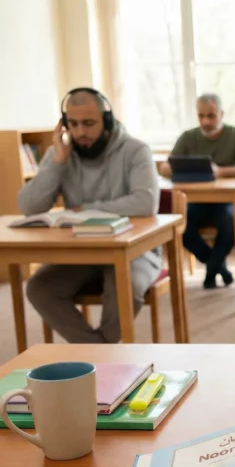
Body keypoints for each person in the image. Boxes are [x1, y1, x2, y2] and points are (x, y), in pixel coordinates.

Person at [19, 88, 160, 344]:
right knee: (39, 288)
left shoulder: (136, 150)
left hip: (134, 251)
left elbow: (145, 202)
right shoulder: (60, 153)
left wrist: (85, 209)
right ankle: (99, 350)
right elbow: (29, 206)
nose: (80, 132)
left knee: (124, 288)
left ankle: (99, 354)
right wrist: (57, 162)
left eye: (88, 123)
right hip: (81, 250)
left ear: (107, 121)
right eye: (73, 124)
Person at [158, 94, 235, 289]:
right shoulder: (188, 137)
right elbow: (164, 168)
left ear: (221, 114)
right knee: (178, 224)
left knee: (230, 220)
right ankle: (218, 267)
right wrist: (180, 168)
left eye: (211, 116)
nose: (206, 121)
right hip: (198, 202)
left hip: (231, 200)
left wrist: (219, 171)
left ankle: (212, 269)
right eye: (201, 116)